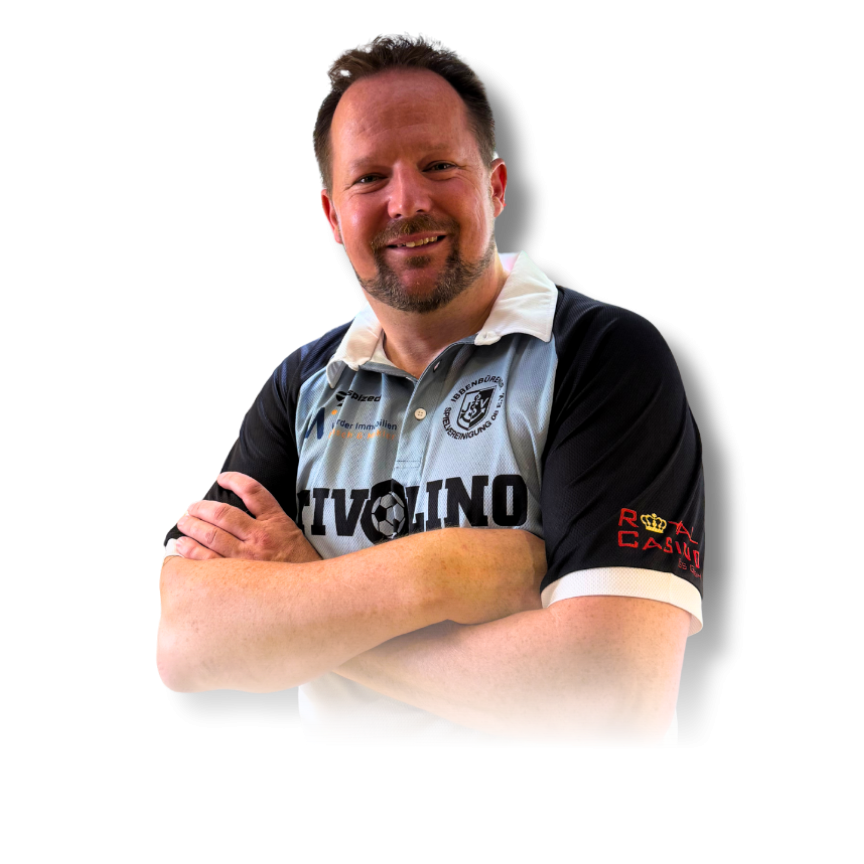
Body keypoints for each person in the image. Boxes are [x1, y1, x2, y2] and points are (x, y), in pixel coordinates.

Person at [157, 33, 705, 748]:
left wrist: (306, 601)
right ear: (331, 216)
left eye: (439, 165)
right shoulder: (300, 385)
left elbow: (612, 698)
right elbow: (188, 642)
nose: (407, 202)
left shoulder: (603, 354)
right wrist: (443, 573)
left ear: (497, 186)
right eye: (368, 178)